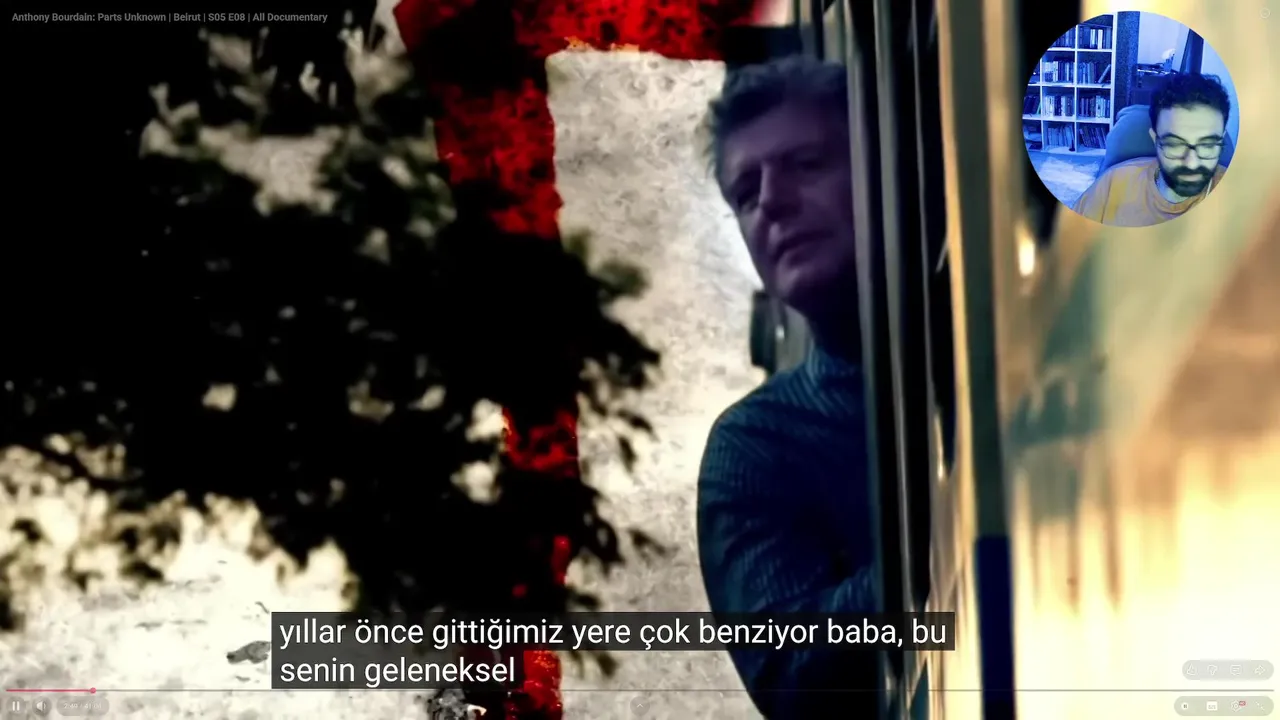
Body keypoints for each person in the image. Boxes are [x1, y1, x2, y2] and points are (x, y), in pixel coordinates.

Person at [696, 56, 879, 719]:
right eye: (746, 194)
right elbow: (791, 676)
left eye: (805, 164)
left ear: (883, 164)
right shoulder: (753, 446)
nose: (771, 202)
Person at [1072, 73, 1231, 227]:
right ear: (1155, 139)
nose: (1191, 163)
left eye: (1207, 145)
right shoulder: (1111, 186)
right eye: (1174, 144)